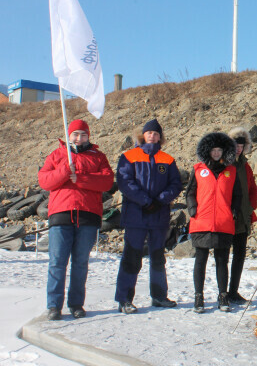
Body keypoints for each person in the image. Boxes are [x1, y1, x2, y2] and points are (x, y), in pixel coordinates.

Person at [39, 119, 114, 321]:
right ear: (68, 135)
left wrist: (80, 179)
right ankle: (54, 306)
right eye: (75, 134)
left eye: (83, 134)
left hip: (88, 215)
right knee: (57, 262)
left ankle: (76, 303)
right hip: (61, 214)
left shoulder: (98, 157)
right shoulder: (57, 155)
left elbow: (107, 181)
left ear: (88, 136)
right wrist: (64, 171)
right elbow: (45, 181)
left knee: (80, 262)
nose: (79, 138)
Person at [115, 119, 182, 314]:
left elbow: (175, 184)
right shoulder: (129, 156)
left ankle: (159, 296)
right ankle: (125, 299)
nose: (152, 135)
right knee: (131, 257)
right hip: (136, 215)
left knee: (158, 257)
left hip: (158, 216)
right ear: (143, 135)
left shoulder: (167, 159)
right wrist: (145, 201)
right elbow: (125, 182)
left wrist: (160, 200)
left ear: (160, 137)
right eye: (149, 132)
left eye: (155, 133)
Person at [186, 132, 241, 313]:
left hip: (223, 222)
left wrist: (233, 211)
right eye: (213, 150)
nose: (216, 153)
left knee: (221, 261)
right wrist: (193, 210)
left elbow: (237, 195)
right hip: (201, 221)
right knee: (200, 260)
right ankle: (198, 296)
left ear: (224, 151)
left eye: (219, 150)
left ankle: (223, 296)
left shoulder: (231, 171)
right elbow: (190, 193)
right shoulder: (198, 170)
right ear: (207, 151)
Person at [226, 127, 257, 304]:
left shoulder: (245, 166)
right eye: (235, 145)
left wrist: (251, 206)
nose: (238, 148)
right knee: (223, 257)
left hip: (243, 217)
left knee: (239, 256)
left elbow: (253, 188)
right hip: (227, 217)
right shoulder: (225, 164)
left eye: (241, 145)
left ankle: (233, 291)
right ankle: (223, 292)